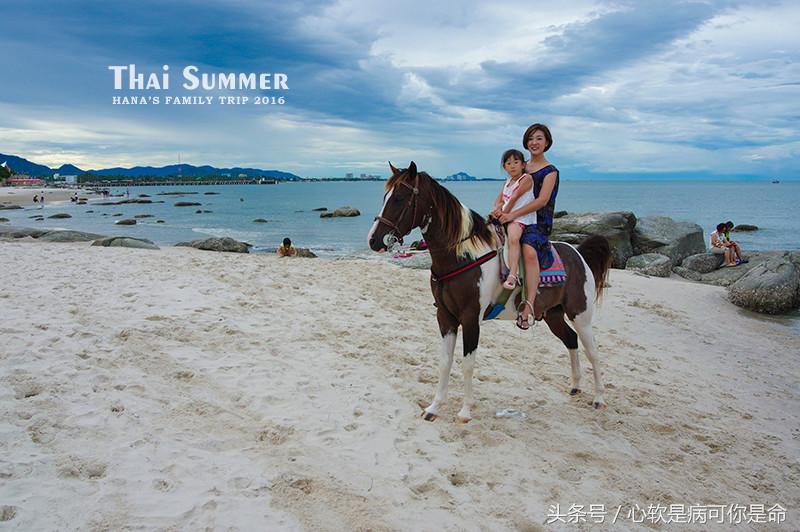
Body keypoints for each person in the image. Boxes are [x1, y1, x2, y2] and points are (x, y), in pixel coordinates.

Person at [497, 123, 559, 330]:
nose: (534, 142)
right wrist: (498, 209)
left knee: (529, 250)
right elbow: (506, 192)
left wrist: (512, 214)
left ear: (547, 142)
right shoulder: (520, 166)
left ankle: (528, 305)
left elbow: (542, 201)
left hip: (537, 222)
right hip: (511, 215)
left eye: (539, 138)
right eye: (531, 138)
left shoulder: (551, 171)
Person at [490, 149, 537, 292]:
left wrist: (503, 212)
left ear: (523, 165)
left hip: (520, 217)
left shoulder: (526, 179)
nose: (512, 166)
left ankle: (513, 274)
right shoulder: (508, 181)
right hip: (506, 215)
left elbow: (514, 197)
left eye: (516, 162)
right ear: (504, 167)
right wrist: (497, 209)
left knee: (513, 238)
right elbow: (500, 199)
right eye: (508, 163)